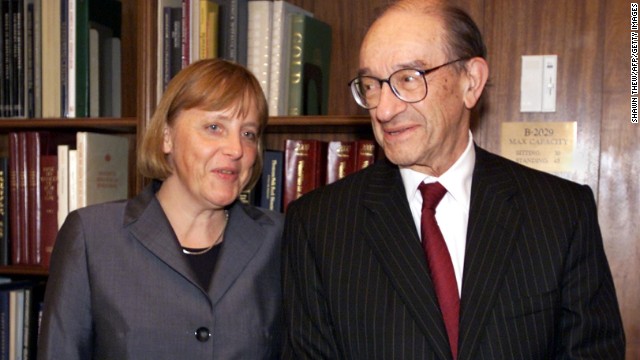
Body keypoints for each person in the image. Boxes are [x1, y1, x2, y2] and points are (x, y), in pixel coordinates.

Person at [281, 1, 625, 359]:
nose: (383, 109)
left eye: (408, 79)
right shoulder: (318, 225)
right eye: (371, 85)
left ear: (471, 82)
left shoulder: (560, 213)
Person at [38, 59, 284, 359]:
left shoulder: (280, 240)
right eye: (214, 127)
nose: (236, 149)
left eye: (248, 133)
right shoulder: (92, 237)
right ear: (167, 136)